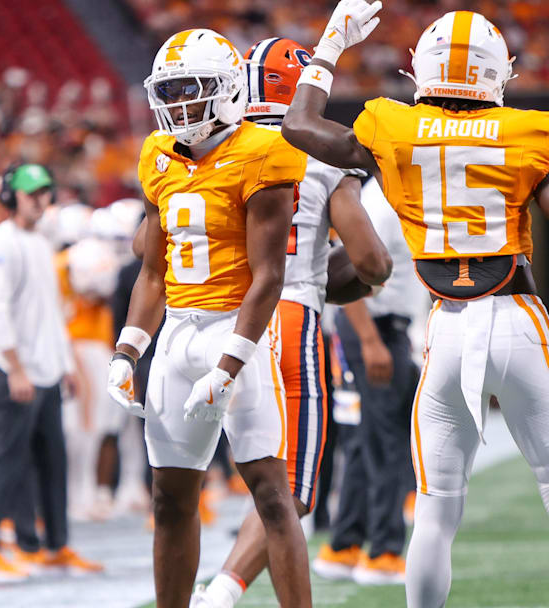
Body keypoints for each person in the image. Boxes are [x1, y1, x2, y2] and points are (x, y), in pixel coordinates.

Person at [281, 6, 549, 608]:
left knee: (437, 509)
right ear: (498, 74)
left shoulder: (391, 129)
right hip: (518, 321)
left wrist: (333, 43)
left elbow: (300, 124)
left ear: (423, 70)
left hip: (446, 330)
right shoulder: (528, 132)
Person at [106, 29, 312, 608]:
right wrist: (127, 351)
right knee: (169, 498)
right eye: (167, 91)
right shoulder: (157, 155)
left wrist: (227, 367)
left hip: (238, 330)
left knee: (272, 495)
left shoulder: (264, 152)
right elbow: (152, 271)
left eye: (188, 89)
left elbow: (269, 276)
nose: (176, 104)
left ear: (224, 91)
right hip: (176, 334)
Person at [193, 37, 391, 608]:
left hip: (211, 322)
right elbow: (371, 259)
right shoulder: (322, 153)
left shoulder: (211, 143)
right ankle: (221, 594)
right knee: (293, 491)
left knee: (210, 481)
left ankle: (208, 589)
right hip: (286, 315)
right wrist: (327, 284)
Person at [0, 164, 102, 581]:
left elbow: (50, 314)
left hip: (44, 372)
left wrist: (63, 367)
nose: (40, 199)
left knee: (52, 462)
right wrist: (16, 368)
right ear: (9, 197)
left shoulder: (40, 244)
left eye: (45, 191)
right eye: (30, 193)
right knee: (7, 462)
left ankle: (52, 545)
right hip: (14, 372)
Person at [312, 177, 427, 585]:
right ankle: (383, 551)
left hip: (374, 331)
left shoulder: (385, 199)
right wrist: (371, 340)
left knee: (364, 441)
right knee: (387, 442)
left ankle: (344, 546)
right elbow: (352, 272)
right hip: (374, 330)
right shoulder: (379, 204)